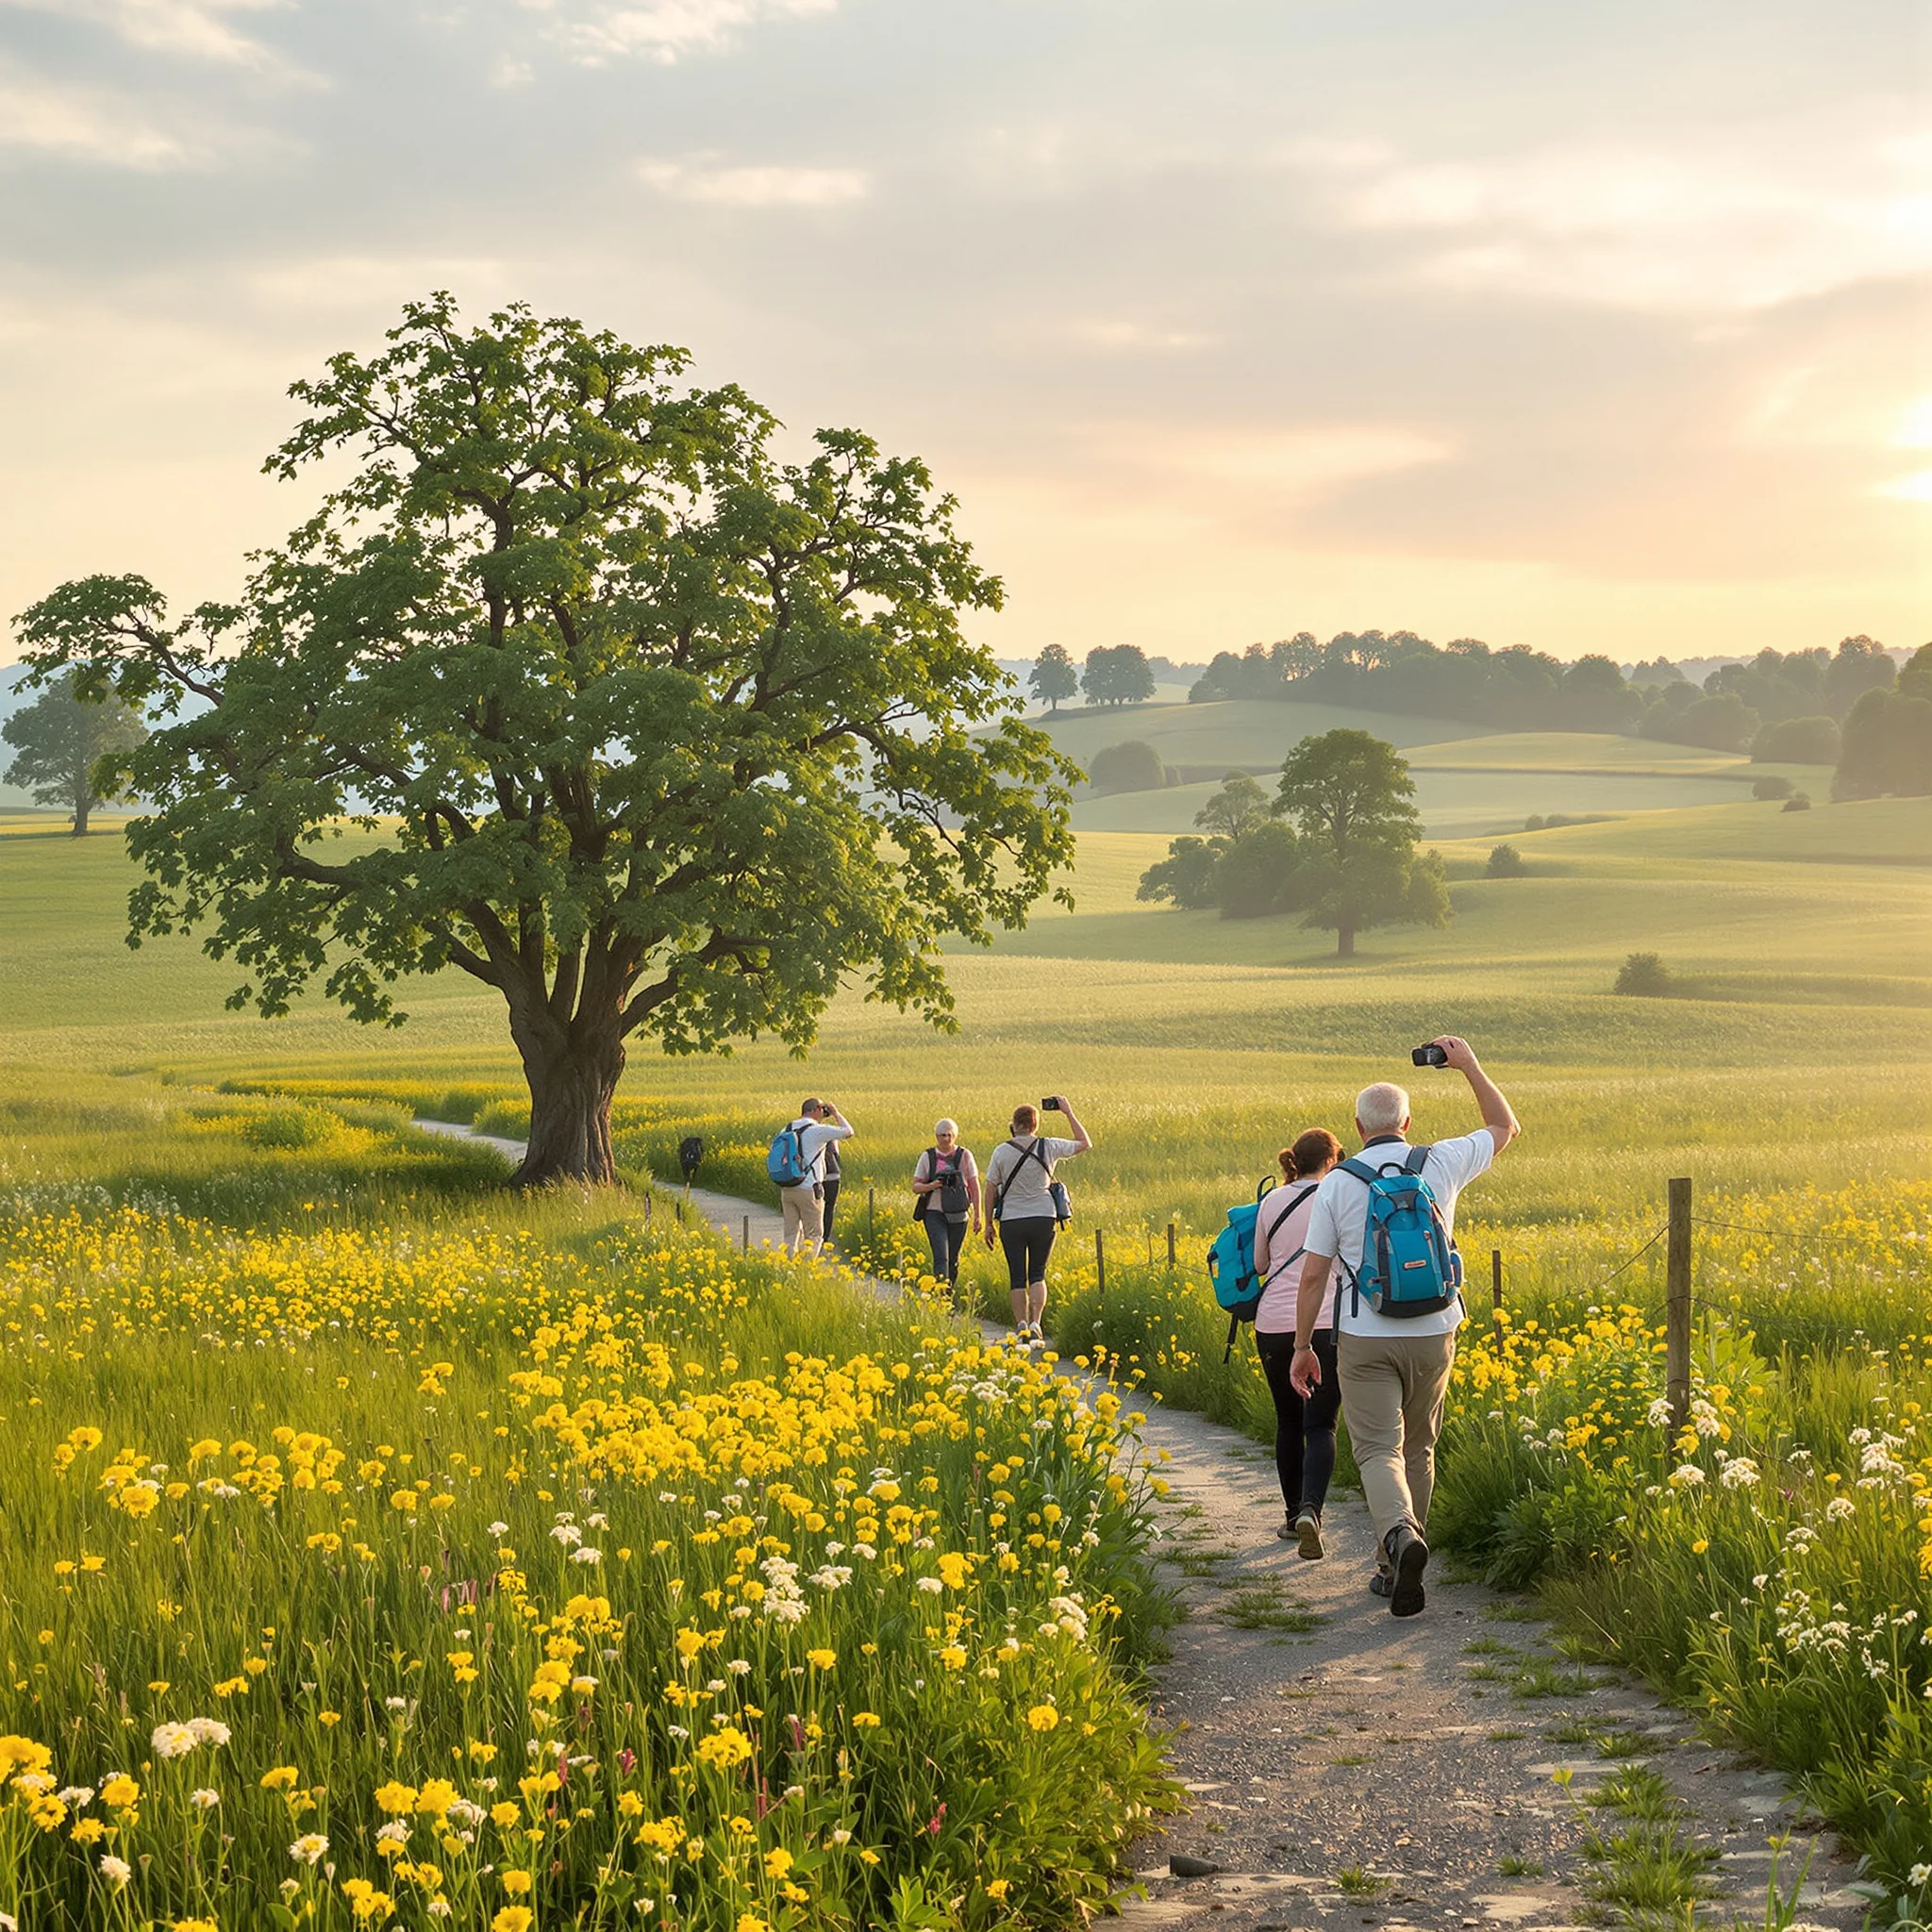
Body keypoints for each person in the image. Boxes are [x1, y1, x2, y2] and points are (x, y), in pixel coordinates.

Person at [1290, 1038, 1519, 1618]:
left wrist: (1301, 1347)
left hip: (1366, 1334)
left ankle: (1397, 1540)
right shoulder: (1439, 1161)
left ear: (1358, 1128)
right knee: (1420, 1446)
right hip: (1437, 1327)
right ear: (1407, 1122)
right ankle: (1397, 1564)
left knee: (1375, 1449)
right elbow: (1504, 1125)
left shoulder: (1337, 1184)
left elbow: (1314, 1275)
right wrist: (1468, 1063)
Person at [1253, 1127, 1344, 1558]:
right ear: (1331, 1159)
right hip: (1325, 1323)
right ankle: (1313, 1510)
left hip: (1272, 1324)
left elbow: (1260, 1263)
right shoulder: (1337, 1196)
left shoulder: (1271, 1201)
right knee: (1320, 1423)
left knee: (1288, 1422)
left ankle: (1292, 1517)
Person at [983, 1097, 1091, 1345]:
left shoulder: (1001, 1151)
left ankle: (1020, 1325)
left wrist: (988, 1223)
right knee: (1038, 1274)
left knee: (1017, 1276)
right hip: (1044, 1217)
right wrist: (1068, 1112)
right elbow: (1085, 1143)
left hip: (1012, 1219)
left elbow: (990, 1188)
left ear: (1014, 1124)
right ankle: (1036, 1323)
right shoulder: (1049, 1146)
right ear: (1035, 1125)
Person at [775, 1099, 855, 1259]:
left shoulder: (787, 1128)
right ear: (818, 1109)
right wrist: (835, 1113)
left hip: (787, 1187)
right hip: (808, 1188)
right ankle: (806, 1271)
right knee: (814, 1234)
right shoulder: (816, 1130)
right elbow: (848, 1132)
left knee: (790, 1234)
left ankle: (788, 1268)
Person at [911, 1120, 981, 1295]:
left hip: (959, 1213)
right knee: (941, 1256)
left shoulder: (965, 1155)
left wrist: (978, 1215)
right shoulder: (928, 1156)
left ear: (955, 1136)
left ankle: (949, 1293)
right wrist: (934, 1185)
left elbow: (974, 1186)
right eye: (943, 1135)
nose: (947, 1138)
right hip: (934, 1212)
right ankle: (942, 1300)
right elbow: (916, 1187)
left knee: (953, 1259)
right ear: (936, 1136)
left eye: (950, 1135)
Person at [820, 1138, 842, 1251]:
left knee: (817, 1207)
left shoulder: (812, 1140)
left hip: (817, 1178)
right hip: (833, 1177)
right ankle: (825, 1237)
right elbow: (837, 1158)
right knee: (829, 1208)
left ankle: (818, 1235)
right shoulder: (832, 1140)